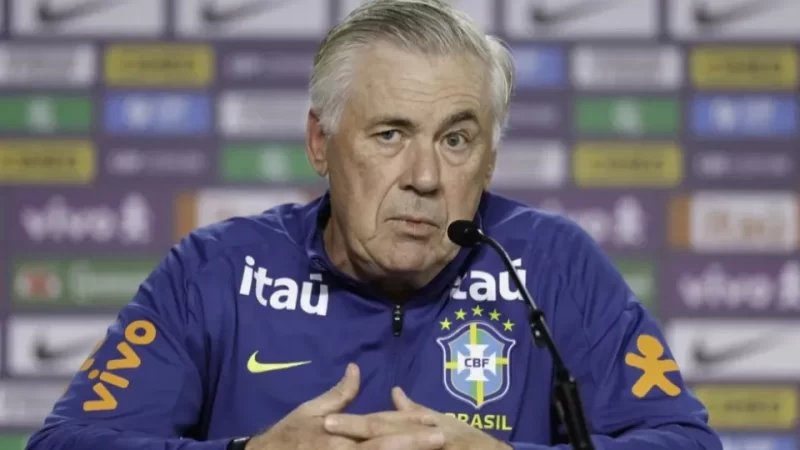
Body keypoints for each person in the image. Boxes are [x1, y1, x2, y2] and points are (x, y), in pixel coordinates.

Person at [25, 0, 722, 449]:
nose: (425, 176)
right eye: (390, 134)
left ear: (490, 159)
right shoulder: (219, 271)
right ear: (320, 143)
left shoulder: (552, 264)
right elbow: (68, 443)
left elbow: (686, 442)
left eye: (456, 139)